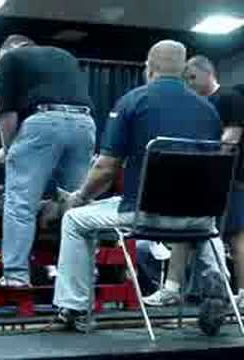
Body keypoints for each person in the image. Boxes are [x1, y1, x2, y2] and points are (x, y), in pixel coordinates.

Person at [52, 40, 227, 336]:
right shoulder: (208, 110)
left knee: (74, 220)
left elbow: (106, 168)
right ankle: (217, 284)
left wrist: (80, 197)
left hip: (147, 215)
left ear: (150, 67)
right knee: (205, 227)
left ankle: (73, 308)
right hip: (198, 218)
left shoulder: (133, 101)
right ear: (184, 70)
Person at [0, 34, 97, 288]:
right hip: (85, 124)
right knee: (79, 202)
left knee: (20, 203)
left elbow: (6, 115)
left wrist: (9, 150)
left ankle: (15, 275)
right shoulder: (64, 56)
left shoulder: (9, 59)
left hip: (43, 121)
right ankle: (86, 271)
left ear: (7, 50)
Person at [144, 56, 244, 307]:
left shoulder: (229, 97)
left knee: (236, 237)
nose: (188, 85)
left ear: (204, 74)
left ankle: (243, 294)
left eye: (190, 79)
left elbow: (230, 138)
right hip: (202, 179)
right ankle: (172, 288)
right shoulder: (199, 105)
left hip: (229, 179)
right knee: (182, 230)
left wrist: (210, 169)